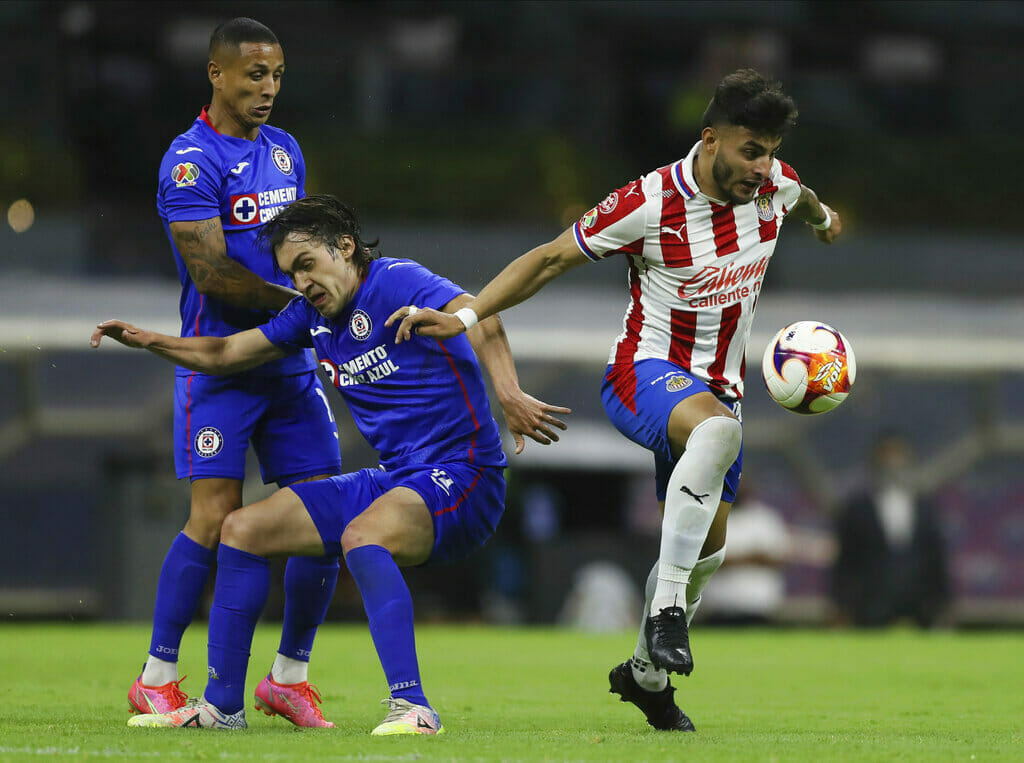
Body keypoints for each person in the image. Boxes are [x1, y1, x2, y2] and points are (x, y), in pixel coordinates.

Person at [392, 68, 842, 732]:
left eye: (771, 150)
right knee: (718, 438)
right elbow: (547, 259)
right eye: (751, 149)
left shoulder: (776, 186)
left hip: (720, 393)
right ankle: (663, 617)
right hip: (643, 373)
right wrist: (464, 318)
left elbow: (804, 199)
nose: (762, 165)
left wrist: (826, 218)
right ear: (711, 138)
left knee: (706, 552)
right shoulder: (649, 200)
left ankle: (645, 675)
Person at [92, 194, 569, 733]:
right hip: (397, 480)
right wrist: (146, 340)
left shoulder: (396, 281)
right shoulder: (311, 319)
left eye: (306, 265)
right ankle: (221, 708)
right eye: (291, 275)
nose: (301, 284)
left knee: (362, 536)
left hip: (465, 476)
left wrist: (508, 393)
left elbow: (481, 317)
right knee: (242, 528)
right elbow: (225, 354)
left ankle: (413, 708)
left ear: (345, 248)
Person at [129, 18, 347, 728]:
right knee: (215, 518)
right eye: (254, 74)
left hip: (289, 369)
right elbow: (213, 273)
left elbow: (302, 252)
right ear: (216, 75)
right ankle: (157, 675)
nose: (268, 88)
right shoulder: (189, 162)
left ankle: (289, 676)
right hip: (219, 369)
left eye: (277, 74)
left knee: (324, 518)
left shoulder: (285, 152)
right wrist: (302, 303)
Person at [831, 432, 950, 628]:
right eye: (886, 455)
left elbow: (936, 557)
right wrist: (840, 604)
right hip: (871, 604)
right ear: (875, 461)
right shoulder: (857, 508)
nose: (893, 462)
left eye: (898, 455)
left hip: (919, 602)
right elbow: (846, 561)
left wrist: (943, 601)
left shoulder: (924, 506)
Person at [698, 478, 790, 626]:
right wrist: (753, 557)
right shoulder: (707, 518)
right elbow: (704, 562)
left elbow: (778, 559)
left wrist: (728, 559)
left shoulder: (765, 518)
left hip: (759, 607)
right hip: (717, 607)